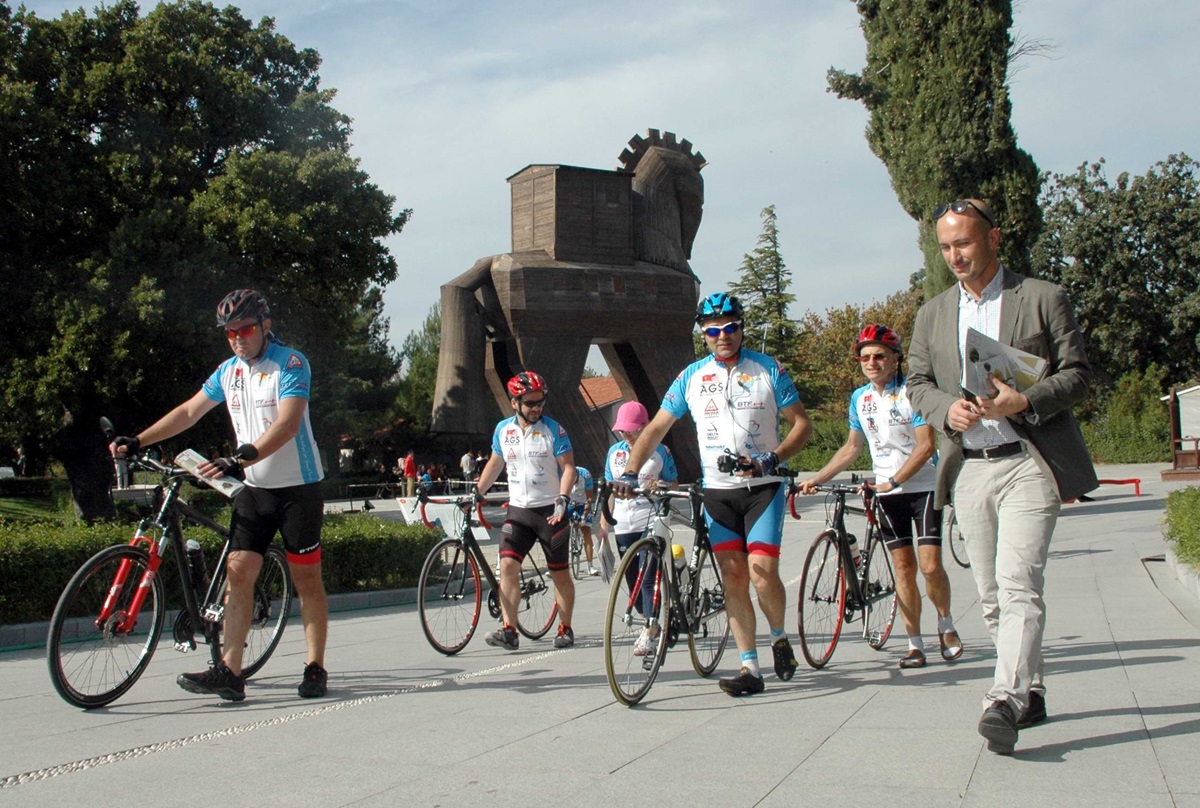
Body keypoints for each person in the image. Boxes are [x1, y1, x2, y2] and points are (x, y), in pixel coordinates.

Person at [907, 198, 1097, 755]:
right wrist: (947, 410)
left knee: (1018, 584)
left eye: (963, 243)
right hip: (970, 467)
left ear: (993, 239)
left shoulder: (1041, 297)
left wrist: (1027, 399)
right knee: (990, 595)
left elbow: (1080, 375)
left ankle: (1004, 698)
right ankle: (1032, 691)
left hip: (1030, 463)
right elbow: (918, 382)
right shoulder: (932, 313)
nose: (954, 256)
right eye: (945, 248)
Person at [110, 289, 330, 702]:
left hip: (298, 489)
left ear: (265, 325)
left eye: (244, 329)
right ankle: (230, 671)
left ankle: (315, 666)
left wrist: (238, 459)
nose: (237, 338)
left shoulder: (291, 363)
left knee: (307, 582)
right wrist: (138, 440)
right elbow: (189, 412)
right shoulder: (228, 371)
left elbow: (287, 424)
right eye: (229, 333)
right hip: (255, 489)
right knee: (238, 572)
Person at [614, 293, 812, 695]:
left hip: (762, 488)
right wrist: (631, 471)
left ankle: (778, 637)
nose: (724, 336)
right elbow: (654, 429)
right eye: (714, 330)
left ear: (741, 327)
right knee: (733, 578)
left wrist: (771, 459)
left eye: (731, 327)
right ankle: (750, 669)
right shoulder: (690, 377)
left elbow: (802, 426)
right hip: (718, 494)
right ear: (703, 335)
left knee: (761, 572)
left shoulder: (768, 369)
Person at [799, 324, 962, 670]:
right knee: (903, 567)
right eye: (865, 357)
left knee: (930, 565)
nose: (871, 362)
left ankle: (945, 623)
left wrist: (894, 480)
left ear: (895, 359)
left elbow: (926, 446)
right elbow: (851, 448)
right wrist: (817, 478)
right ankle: (914, 643)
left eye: (879, 356)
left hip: (923, 488)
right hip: (888, 496)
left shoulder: (912, 393)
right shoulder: (860, 399)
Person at [475, 371, 579, 650]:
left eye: (540, 402)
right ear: (514, 403)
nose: (537, 408)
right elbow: (495, 464)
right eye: (530, 403)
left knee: (559, 573)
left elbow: (568, 467)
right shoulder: (503, 430)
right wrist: (477, 493)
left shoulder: (554, 430)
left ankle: (565, 628)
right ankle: (509, 630)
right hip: (519, 511)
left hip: (550, 512)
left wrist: (563, 498)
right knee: (507, 565)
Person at [598, 400, 679, 655]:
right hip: (623, 523)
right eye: (623, 430)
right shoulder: (614, 453)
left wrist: (663, 487)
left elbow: (674, 484)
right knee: (631, 578)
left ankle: (650, 629)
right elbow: (609, 492)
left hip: (651, 517)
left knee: (647, 576)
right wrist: (603, 525)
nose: (627, 435)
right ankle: (649, 617)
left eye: (632, 429)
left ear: (645, 426)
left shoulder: (661, 452)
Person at [569, 465, 599, 576]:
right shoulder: (561, 474)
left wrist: (586, 511)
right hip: (568, 502)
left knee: (586, 531)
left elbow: (590, 497)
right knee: (559, 532)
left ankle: (590, 566)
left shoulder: (585, 475)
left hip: (583, 502)